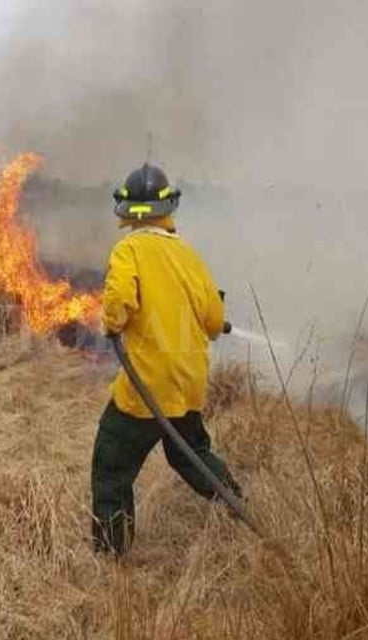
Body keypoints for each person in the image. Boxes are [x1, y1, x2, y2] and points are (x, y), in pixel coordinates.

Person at [91, 162, 244, 556]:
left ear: (127, 210)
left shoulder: (128, 249)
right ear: (167, 208)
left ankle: (110, 554)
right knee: (191, 454)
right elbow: (213, 322)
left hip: (146, 388)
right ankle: (238, 506)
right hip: (187, 384)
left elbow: (118, 305)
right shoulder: (189, 256)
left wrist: (111, 322)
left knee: (111, 464)